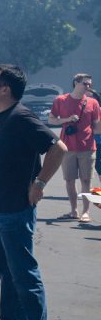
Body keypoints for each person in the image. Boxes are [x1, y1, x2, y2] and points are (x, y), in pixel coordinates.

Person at [0, 64, 66, 320]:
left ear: (5, 89)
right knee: (5, 270)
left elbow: (59, 148)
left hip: (15, 209)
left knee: (23, 272)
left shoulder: (21, 118)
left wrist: (39, 183)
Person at [48, 73, 99, 223]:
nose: (88, 87)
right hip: (67, 147)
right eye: (85, 83)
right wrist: (67, 119)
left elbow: (96, 126)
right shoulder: (61, 100)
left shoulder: (93, 103)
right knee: (70, 180)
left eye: (89, 84)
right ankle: (73, 211)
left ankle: (86, 212)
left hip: (88, 147)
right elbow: (51, 119)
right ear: (75, 83)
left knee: (86, 181)